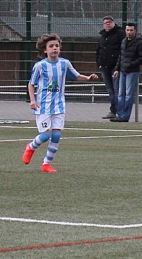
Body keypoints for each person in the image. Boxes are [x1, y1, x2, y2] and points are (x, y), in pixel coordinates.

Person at [23, 33, 98, 173]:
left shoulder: (65, 63)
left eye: (57, 46)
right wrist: (32, 100)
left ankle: (46, 164)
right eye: (51, 46)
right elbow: (31, 84)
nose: (54, 48)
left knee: (56, 135)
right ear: (45, 50)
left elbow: (76, 75)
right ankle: (31, 147)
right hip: (43, 106)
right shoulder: (40, 66)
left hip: (59, 106)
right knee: (45, 135)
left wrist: (88, 78)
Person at [111, 22, 142, 123]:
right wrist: (117, 69)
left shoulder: (139, 43)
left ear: (135, 31)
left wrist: (131, 64)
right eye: (127, 30)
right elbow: (120, 56)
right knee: (120, 94)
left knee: (128, 94)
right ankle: (120, 114)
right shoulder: (123, 41)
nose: (129, 32)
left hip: (132, 71)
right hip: (123, 71)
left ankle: (125, 116)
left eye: (131, 30)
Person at [96, 16, 125, 119]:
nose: (107, 24)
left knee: (117, 89)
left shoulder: (120, 34)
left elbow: (122, 50)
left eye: (109, 22)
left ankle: (119, 111)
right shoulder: (102, 36)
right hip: (104, 66)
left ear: (113, 23)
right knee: (110, 89)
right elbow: (98, 50)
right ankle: (113, 110)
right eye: (105, 23)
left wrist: (118, 66)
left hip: (115, 67)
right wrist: (99, 63)